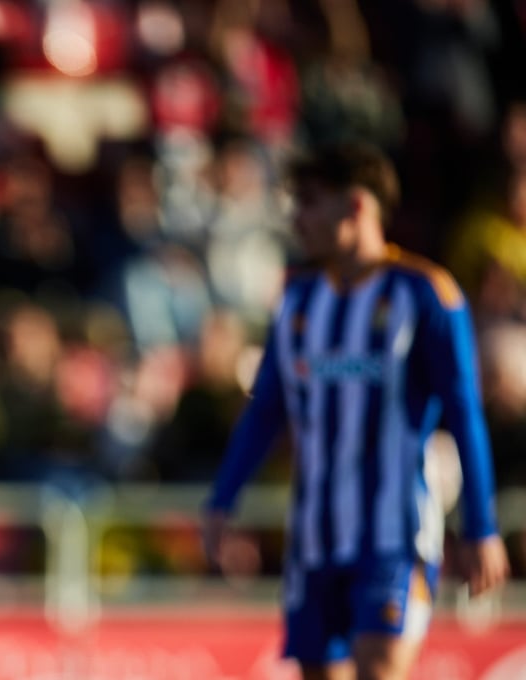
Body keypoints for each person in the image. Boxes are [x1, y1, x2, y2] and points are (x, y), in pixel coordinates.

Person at [201, 142, 510, 680]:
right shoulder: (297, 301)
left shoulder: (424, 294)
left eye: (309, 201)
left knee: (379, 669)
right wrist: (222, 499)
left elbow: (464, 411)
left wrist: (481, 526)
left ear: (356, 205)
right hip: (313, 541)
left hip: (394, 537)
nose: (297, 218)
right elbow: (266, 411)